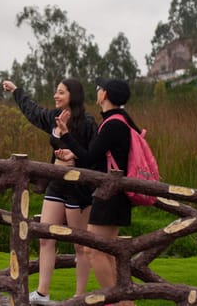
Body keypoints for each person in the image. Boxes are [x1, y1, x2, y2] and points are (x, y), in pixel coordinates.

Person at [2, 79, 97, 304]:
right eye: (56, 92)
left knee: (80, 245)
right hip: (56, 184)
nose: (56, 95)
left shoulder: (87, 122)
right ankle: (43, 293)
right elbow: (33, 111)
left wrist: (74, 156)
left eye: (61, 92)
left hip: (78, 189)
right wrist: (17, 91)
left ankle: (79, 296)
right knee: (45, 238)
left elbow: (93, 157)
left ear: (73, 95)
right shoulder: (54, 117)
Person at [55, 77, 138, 306]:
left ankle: (119, 303)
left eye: (100, 89)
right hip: (116, 194)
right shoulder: (121, 121)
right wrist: (74, 153)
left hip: (109, 195)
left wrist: (66, 136)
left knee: (93, 251)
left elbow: (91, 157)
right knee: (107, 252)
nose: (97, 91)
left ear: (105, 95)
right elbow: (97, 158)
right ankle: (121, 302)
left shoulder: (112, 124)